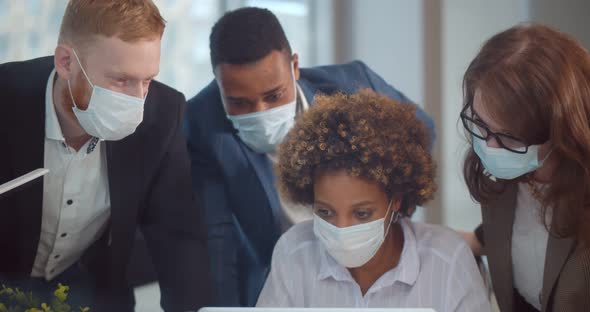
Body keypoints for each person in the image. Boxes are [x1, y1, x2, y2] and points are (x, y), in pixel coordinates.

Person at [183, 7, 435, 307]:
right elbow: (218, 243)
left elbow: (420, 133)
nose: (260, 112)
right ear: (218, 83)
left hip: (372, 261)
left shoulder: (354, 86)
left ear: (295, 66)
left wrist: (388, 216)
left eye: (274, 95)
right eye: (239, 103)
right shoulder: (200, 123)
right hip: (283, 276)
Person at [0, 1, 209, 310]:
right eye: (120, 80)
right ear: (66, 62)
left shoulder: (162, 115)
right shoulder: (6, 97)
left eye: (147, 80)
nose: (137, 101)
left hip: (95, 296)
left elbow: (178, 240)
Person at [255, 89, 489, 311]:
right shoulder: (294, 252)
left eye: (362, 213)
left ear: (395, 200)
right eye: (326, 212)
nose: (342, 230)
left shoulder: (447, 260)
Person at [459, 24, 590, 311]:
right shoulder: (509, 180)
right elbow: (503, 239)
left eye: (508, 137)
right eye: (480, 124)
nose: (489, 148)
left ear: (561, 132)